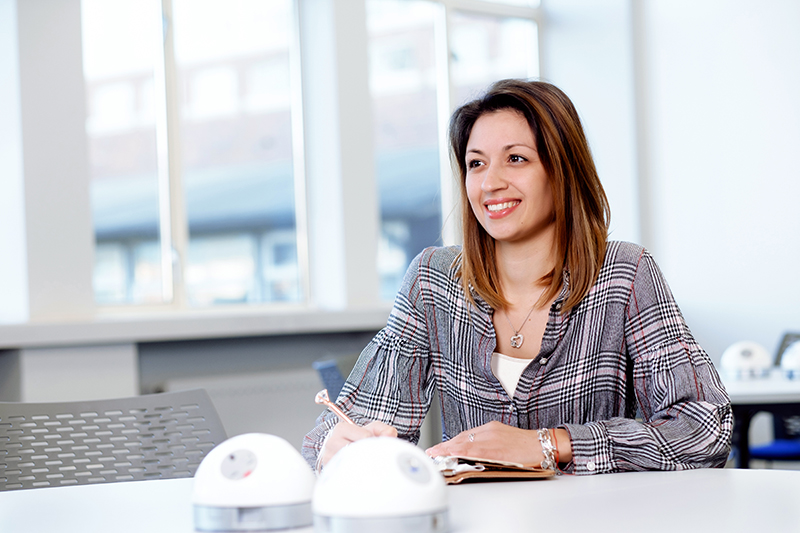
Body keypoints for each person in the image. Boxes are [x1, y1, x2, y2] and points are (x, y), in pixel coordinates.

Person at [302, 79, 732, 475]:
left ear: (562, 170)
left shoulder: (625, 273)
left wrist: (551, 444)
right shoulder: (433, 280)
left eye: (516, 159)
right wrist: (337, 447)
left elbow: (705, 429)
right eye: (476, 163)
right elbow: (347, 424)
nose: (490, 183)